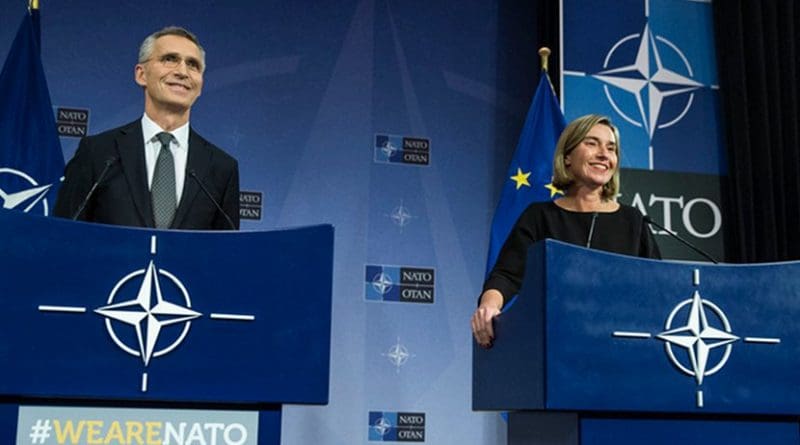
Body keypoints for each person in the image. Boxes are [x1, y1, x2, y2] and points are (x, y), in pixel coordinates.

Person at [471, 114, 660, 348]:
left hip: (623, 348)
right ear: (567, 157)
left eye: (611, 148)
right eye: (592, 143)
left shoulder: (633, 221)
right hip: (556, 345)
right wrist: (488, 306)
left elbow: (659, 287)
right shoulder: (540, 216)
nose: (604, 154)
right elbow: (506, 276)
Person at [54, 26, 239, 230]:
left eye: (193, 65)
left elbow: (226, 255)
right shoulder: (98, 153)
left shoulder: (222, 168)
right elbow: (64, 236)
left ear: (200, 84)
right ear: (141, 74)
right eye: (170, 59)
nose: (182, 72)